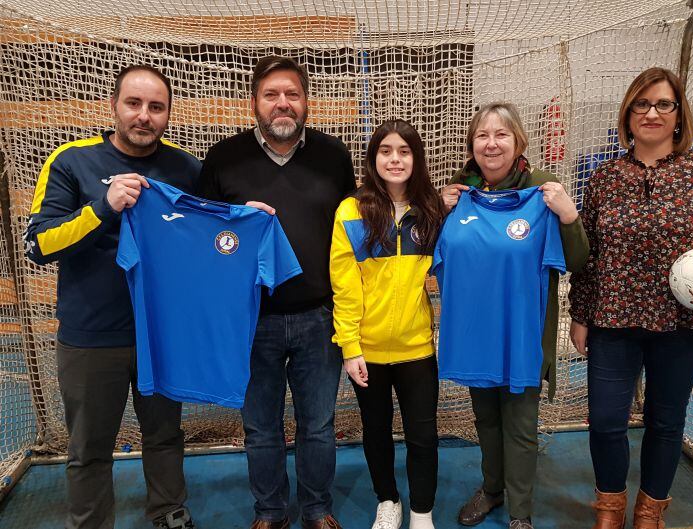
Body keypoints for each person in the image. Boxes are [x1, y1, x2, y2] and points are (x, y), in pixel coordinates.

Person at [568, 67, 693, 529]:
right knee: (605, 420)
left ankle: (649, 513)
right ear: (628, 113)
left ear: (679, 114)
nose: (652, 113)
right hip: (613, 320)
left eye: (663, 104)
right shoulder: (603, 177)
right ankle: (609, 510)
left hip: (685, 326)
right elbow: (590, 254)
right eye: (642, 104)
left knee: (665, 420)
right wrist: (581, 314)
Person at [24, 65, 200, 529]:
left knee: (165, 435)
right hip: (90, 337)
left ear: (168, 114)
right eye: (134, 104)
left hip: (160, 334)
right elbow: (38, 245)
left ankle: (168, 513)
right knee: (89, 447)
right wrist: (103, 207)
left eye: (156, 107)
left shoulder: (185, 167)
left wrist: (246, 216)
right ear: (114, 106)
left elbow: (211, 227)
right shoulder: (72, 161)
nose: (144, 116)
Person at [197, 55, 356, 529]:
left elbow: (351, 230)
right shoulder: (223, 158)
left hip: (318, 318)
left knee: (319, 427)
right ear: (254, 104)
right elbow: (205, 238)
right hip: (250, 320)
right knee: (260, 428)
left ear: (306, 101)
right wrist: (234, 222)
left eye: (292, 94)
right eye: (271, 95)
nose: (282, 104)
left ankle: (317, 509)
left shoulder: (334, 156)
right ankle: (269, 512)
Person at [440, 102, 589, 529]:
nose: (491, 144)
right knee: (484, 418)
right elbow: (432, 249)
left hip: (525, 333)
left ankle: (520, 512)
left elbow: (577, 259)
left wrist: (568, 214)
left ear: (518, 140)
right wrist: (437, 209)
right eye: (482, 135)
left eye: (501, 135)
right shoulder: (461, 189)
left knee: (521, 426)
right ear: (472, 145)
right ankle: (491, 489)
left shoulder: (543, 190)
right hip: (475, 333)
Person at [330, 120, 444, 529]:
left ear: (417, 158)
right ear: (373, 158)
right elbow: (344, 288)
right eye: (385, 151)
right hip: (368, 352)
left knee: (423, 436)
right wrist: (350, 347)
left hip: (417, 349)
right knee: (375, 430)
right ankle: (388, 501)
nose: (395, 159)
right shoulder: (351, 211)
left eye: (404, 151)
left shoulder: (432, 210)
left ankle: (421, 512)